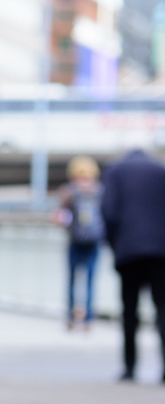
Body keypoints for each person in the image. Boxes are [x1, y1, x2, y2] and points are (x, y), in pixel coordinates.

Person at [101, 148, 165, 382]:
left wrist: (114, 245)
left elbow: (108, 211)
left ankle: (130, 369)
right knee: (163, 310)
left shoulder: (115, 171)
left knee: (130, 312)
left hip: (128, 251)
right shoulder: (161, 170)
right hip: (161, 252)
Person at [58, 156, 106, 331]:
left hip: (75, 241)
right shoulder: (100, 191)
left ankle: (71, 317)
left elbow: (60, 216)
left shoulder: (70, 192)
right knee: (90, 281)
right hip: (94, 242)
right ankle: (88, 319)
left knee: (72, 280)